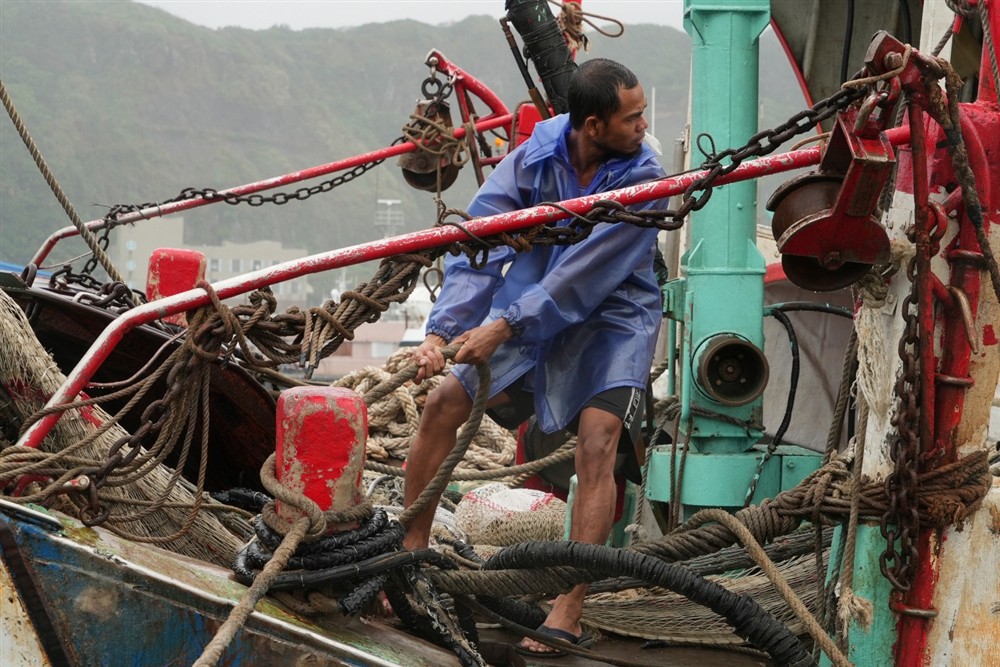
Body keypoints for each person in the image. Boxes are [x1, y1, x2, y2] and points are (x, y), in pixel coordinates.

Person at [402, 57, 666, 656]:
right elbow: (476, 243)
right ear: (593, 126)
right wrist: (442, 331)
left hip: (614, 316)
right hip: (527, 307)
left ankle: (568, 604)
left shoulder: (646, 173)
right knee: (444, 402)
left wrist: (503, 324)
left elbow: (586, 274)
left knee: (599, 445)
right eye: (633, 116)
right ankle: (409, 555)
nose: (642, 126)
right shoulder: (533, 157)